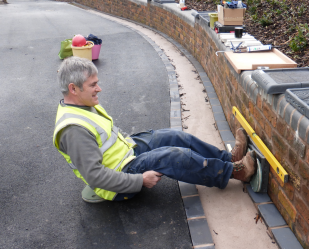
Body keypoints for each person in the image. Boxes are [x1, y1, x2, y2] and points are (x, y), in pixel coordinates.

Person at [53, 57, 256, 203]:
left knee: (173, 136)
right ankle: (235, 172)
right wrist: (139, 180)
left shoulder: (83, 104)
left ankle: (227, 159)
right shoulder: (74, 130)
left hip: (127, 153)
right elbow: (95, 177)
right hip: (120, 179)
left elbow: (108, 135)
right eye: (93, 85)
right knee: (172, 156)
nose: (99, 89)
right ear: (73, 89)